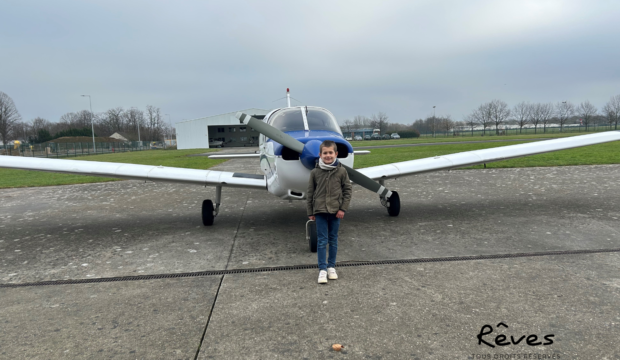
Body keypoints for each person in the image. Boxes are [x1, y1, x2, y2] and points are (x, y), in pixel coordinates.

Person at [307, 140, 352, 284]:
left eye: (330, 153)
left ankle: (331, 266)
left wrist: (342, 208)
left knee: (333, 240)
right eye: (325, 153)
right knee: (321, 241)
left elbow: (347, 190)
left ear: (336, 154)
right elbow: (310, 193)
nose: (328, 155)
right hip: (320, 211)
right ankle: (322, 269)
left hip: (335, 212)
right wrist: (310, 211)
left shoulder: (341, 171)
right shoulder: (314, 172)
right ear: (320, 154)